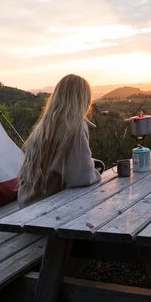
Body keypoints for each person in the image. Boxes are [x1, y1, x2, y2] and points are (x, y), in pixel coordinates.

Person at [17, 74, 102, 208]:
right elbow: (82, 178)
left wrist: (89, 164)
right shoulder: (76, 127)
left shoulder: (42, 128)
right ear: (84, 100)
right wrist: (95, 172)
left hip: (28, 205)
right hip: (49, 209)